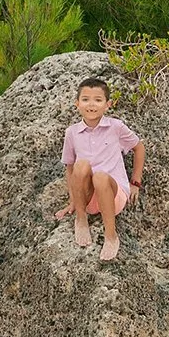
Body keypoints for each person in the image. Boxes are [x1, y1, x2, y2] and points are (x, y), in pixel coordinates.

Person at [58, 76, 145, 261]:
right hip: (88, 198)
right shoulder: (71, 132)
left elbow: (139, 147)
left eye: (98, 100)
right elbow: (69, 168)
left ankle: (111, 235)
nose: (92, 105)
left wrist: (135, 182)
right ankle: (81, 220)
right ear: (77, 103)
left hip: (113, 195)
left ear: (108, 104)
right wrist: (73, 200)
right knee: (81, 166)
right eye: (86, 99)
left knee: (101, 177)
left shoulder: (116, 127)